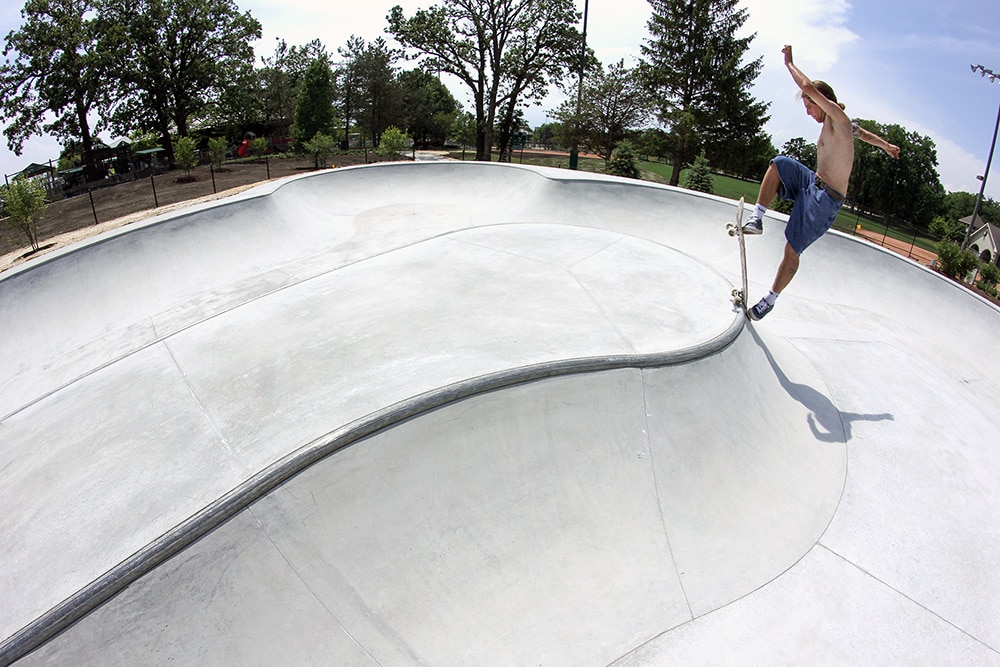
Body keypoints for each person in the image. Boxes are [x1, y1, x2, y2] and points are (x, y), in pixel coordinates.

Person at [741, 45, 900, 320]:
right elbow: (864, 134)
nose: (808, 113)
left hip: (826, 200)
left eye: (809, 106)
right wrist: (886, 145)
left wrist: (789, 62)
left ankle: (770, 299)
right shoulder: (843, 126)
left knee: (792, 249)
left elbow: (806, 85)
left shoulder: (838, 116)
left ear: (822, 100)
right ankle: (757, 218)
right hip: (811, 183)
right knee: (779, 163)